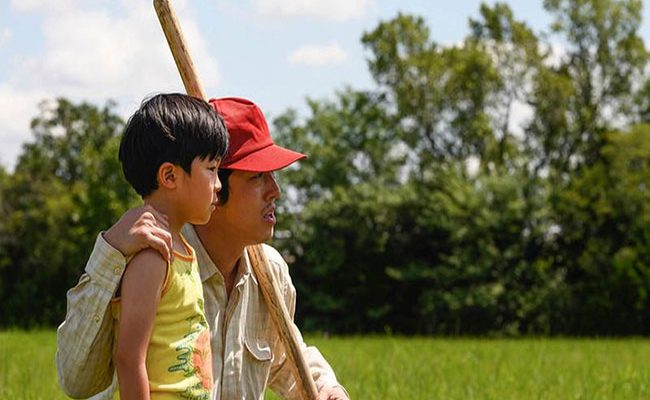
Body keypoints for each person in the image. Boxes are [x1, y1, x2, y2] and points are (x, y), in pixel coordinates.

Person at [56, 97, 350, 400]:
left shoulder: (270, 272)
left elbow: (287, 354)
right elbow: (78, 381)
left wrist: (325, 388)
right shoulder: (152, 255)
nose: (275, 191)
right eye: (257, 177)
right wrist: (109, 252)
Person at [113, 93, 228, 399]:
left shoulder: (184, 250)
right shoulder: (152, 256)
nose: (219, 184)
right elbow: (128, 358)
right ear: (169, 176)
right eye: (212, 169)